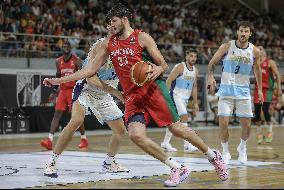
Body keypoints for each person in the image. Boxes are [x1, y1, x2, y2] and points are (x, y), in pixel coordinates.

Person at [43, 3, 228, 187]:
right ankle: (176, 168)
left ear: (124, 19)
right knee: (135, 134)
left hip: (152, 89)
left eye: (113, 21)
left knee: (176, 129)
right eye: (108, 22)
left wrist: (158, 68)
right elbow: (89, 70)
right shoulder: (108, 44)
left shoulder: (142, 37)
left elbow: (163, 64)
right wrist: (59, 81)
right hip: (131, 95)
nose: (110, 25)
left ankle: (213, 155)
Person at [44, 33, 130, 177]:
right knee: (76, 120)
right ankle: (52, 162)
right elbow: (91, 79)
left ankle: (109, 163)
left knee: (120, 130)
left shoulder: (126, 53)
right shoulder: (99, 47)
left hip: (104, 95)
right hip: (86, 90)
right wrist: (116, 93)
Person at [207, 21, 263, 164]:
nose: (243, 33)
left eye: (246, 31)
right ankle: (225, 151)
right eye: (241, 31)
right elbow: (212, 63)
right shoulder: (226, 46)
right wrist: (210, 76)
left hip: (243, 90)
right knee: (223, 123)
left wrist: (260, 90)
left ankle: (242, 148)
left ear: (250, 34)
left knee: (247, 125)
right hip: (226, 89)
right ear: (237, 32)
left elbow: (257, 70)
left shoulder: (255, 51)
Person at [40, 41, 89, 150]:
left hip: (73, 91)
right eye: (64, 46)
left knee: (76, 117)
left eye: (67, 46)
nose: (65, 47)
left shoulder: (77, 61)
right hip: (62, 90)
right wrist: (53, 91)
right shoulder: (58, 61)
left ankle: (84, 139)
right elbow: (57, 75)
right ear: (62, 48)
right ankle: (49, 140)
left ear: (70, 48)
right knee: (57, 114)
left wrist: (81, 90)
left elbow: (83, 76)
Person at [161, 48, 199, 153]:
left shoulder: (195, 70)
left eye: (195, 56)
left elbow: (195, 87)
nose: (193, 58)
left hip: (185, 98)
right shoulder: (180, 67)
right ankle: (187, 145)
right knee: (184, 117)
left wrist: (195, 102)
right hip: (175, 95)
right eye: (191, 56)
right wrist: (166, 96)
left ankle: (165, 143)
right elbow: (169, 80)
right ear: (186, 56)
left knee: (174, 121)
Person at [253, 46, 282, 144]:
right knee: (256, 112)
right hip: (257, 90)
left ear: (264, 52)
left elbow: (278, 75)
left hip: (268, 90)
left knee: (265, 110)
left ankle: (270, 131)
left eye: (261, 49)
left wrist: (278, 88)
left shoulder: (270, 62)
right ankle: (259, 133)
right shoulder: (254, 62)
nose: (259, 50)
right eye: (257, 49)